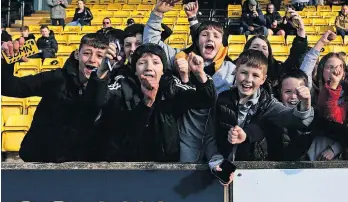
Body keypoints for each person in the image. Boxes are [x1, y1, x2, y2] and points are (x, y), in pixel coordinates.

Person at [85, 42, 216, 162]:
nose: (149, 67)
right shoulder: (122, 84)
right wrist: (101, 71)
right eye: (142, 63)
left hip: (165, 165)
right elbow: (95, 101)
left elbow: (205, 100)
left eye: (156, 62)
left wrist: (200, 74)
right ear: (135, 71)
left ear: (163, 70)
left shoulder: (171, 86)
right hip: (125, 164)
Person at [144, 0, 236, 163]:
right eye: (204, 35)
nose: (209, 39)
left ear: (223, 44)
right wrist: (157, 14)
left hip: (219, 139)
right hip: (187, 138)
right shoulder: (182, 59)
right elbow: (152, 46)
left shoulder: (233, 71)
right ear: (197, 40)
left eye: (216, 36)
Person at [1, 33, 110, 162]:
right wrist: (6, 62)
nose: (92, 59)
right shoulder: (56, 78)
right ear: (77, 55)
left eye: (100, 56)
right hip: (39, 161)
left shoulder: (112, 87)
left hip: (80, 166)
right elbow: (10, 87)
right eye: (87, 53)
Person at [210, 49, 314, 162]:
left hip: (255, 169)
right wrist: (216, 159)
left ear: (263, 79)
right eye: (244, 73)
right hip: (222, 168)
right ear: (236, 71)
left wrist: (305, 103)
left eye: (255, 75)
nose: (248, 80)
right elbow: (210, 135)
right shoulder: (221, 99)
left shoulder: (268, 104)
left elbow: (294, 119)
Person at [242, 29, 308, 93]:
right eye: (255, 47)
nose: (260, 50)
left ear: (269, 53)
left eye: (264, 48)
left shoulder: (278, 70)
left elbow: (294, 58)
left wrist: (301, 37)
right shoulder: (235, 67)